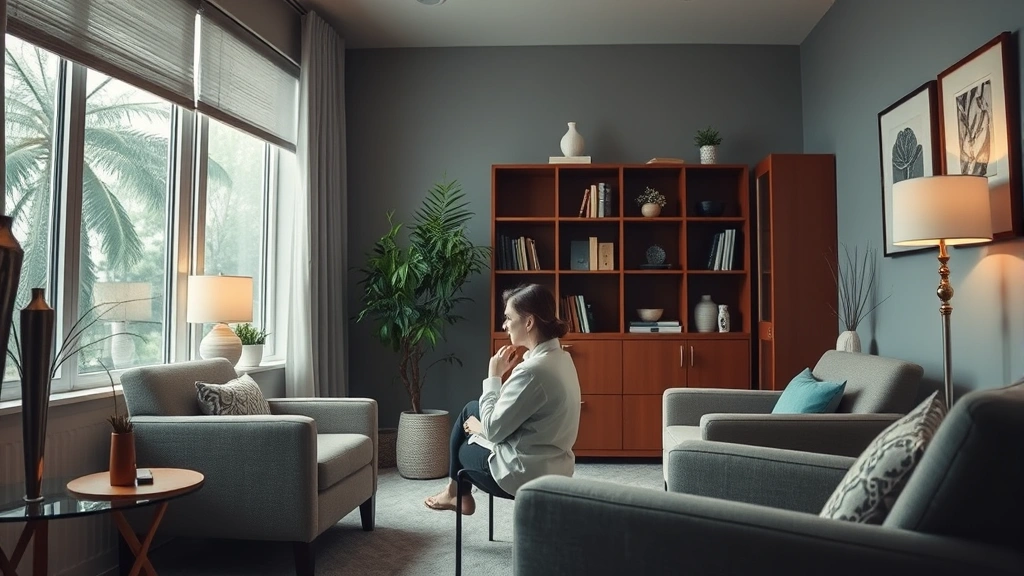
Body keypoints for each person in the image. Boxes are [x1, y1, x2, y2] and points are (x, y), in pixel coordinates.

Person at [424, 283, 581, 514]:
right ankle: (455, 493)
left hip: (523, 474)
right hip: (555, 466)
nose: (504, 325)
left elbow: (494, 430)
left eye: (508, 318)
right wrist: (484, 426)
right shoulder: (561, 358)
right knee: (470, 409)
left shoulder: (532, 371)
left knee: (463, 448)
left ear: (528, 322)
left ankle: (456, 493)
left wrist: (494, 376)